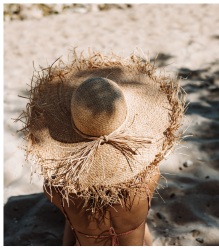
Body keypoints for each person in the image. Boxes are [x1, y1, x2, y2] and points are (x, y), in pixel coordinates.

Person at [15, 48, 186, 246]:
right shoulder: (149, 179)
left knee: (72, 217)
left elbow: (69, 227)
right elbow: (142, 224)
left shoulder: (57, 192)